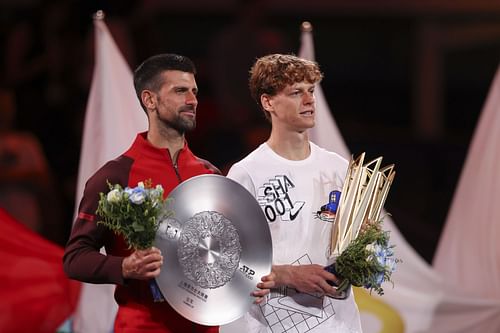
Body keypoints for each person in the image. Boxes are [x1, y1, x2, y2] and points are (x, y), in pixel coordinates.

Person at [63, 54, 223, 332]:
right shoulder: (114, 176)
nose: (193, 100)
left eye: (195, 91)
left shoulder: (210, 174)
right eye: (180, 91)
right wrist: (125, 267)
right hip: (143, 325)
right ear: (149, 100)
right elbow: (75, 259)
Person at [225, 54, 362, 333]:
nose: (310, 100)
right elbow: (224, 262)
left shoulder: (338, 168)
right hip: (270, 324)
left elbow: (354, 248)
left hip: (338, 324)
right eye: (296, 93)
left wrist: (363, 257)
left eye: (311, 91)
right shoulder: (246, 173)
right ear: (268, 102)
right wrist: (287, 275)